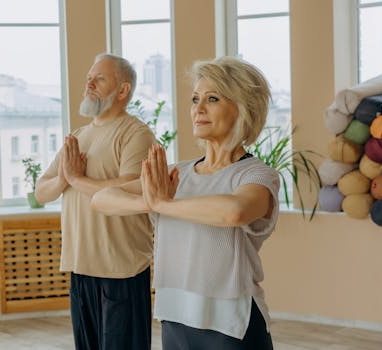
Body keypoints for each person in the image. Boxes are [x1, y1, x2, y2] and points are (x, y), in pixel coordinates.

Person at [91, 56, 280, 349]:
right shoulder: (175, 173)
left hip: (232, 323)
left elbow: (234, 212)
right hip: (175, 316)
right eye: (195, 99)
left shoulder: (255, 175)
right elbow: (102, 199)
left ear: (242, 107)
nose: (198, 109)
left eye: (212, 98)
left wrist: (163, 204)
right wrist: (150, 202)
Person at [35, 53, 156, 350]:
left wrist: (77, 180)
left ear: (123, 90)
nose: (89, 82)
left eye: (99, 78)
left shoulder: (136, 133)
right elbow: (42, 192)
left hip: (121, 270)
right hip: (81, 268)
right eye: (89, 77)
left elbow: (132, 189)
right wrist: (66, 178)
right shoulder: (78, 136)